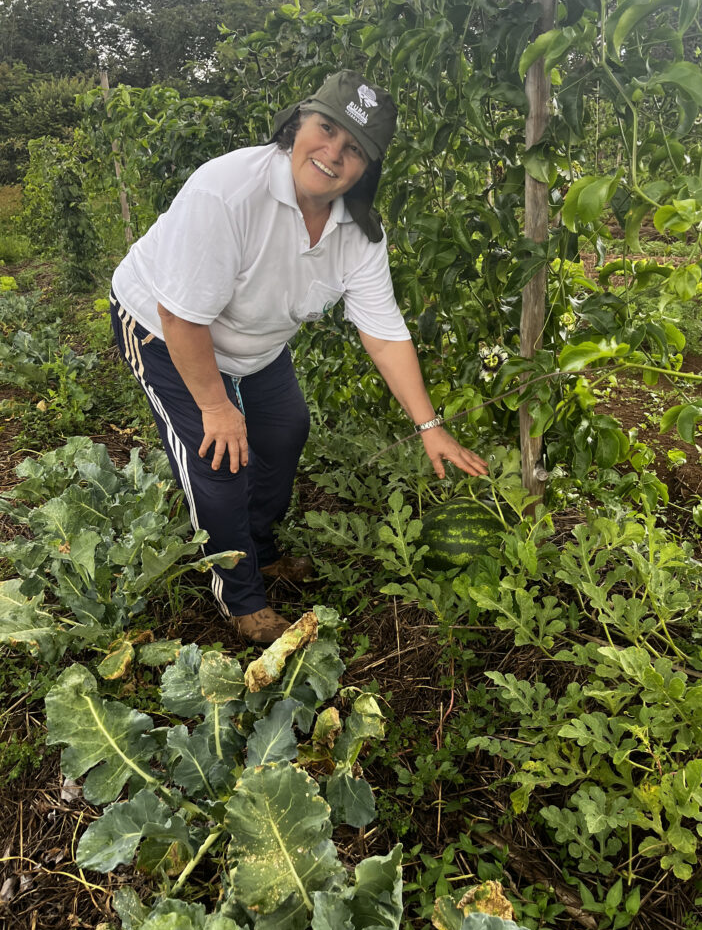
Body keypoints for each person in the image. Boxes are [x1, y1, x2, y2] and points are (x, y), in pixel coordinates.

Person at [110, 69, 487, 644]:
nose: (333, 153)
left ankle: (257, 548)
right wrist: (215, 405)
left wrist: (429, 426)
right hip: (165, 327)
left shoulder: (358, 234)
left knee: (285, 432)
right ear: (297, 125)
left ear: (368, 168)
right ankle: (239, 597)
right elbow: (182, 317)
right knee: (219, 461)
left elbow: (384, 335)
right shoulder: (229, 190)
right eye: (326, 129)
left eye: (354, 149)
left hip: (251, 343)